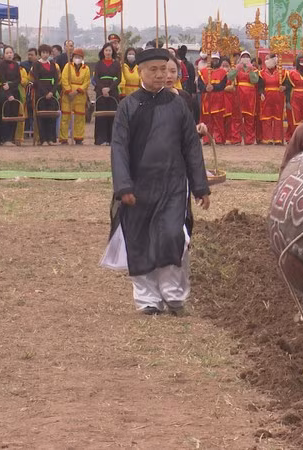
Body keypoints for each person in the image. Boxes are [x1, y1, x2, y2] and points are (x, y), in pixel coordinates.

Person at [102, 47, 210, 316]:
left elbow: (191, 147)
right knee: (139, 241)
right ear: (141, 72)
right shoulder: (128, 106)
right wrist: (123, 186)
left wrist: (200, 186)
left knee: (172, 236)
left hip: (173, 184)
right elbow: (119, 148)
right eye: (155, 70)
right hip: (138, 187)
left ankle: (173, 296)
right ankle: (147, 299)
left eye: (165, 69)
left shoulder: (178, 106)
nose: (161, 75)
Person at [30, 44, 61, 146]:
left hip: (52, 92)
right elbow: (37, 80)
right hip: (41, 93)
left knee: (51, 116)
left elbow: (57, 80)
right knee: (42, 116)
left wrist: (52, 91)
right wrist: (45, 92)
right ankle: (43, 139)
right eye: (43, 52)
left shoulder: (53, 64)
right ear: (40, 53)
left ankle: (51, 139)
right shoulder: (36, 65)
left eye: (47, 52)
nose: (45, 54)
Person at [0, 46, 22, 146]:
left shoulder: (16, 65)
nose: (9, 54)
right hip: (4, 92)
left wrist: (12, 85)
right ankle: (3, 138)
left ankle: (11, 137)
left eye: (11, 53)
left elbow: (18, 79)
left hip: (14, 91)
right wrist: (8, 94)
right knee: (4, 114)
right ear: (4, 55)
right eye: (7, 53)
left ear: (13, 54)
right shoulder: (1, 65)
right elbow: (2, 79)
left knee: (13, 114)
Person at [59, 48, 90, 145]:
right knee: (65, 117)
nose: (77, 59)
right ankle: (63, 138)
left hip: (80, 95)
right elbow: (64, 79)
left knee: (80, 117)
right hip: (68, 95)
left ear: (82, 58)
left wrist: (77, 91)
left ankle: (78, 137)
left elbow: (86, 82)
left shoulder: (86, 68)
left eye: (79, 57)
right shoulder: (67, 66)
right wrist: (69, 91)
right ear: (72, 57)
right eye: (76, 57)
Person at [93, 43, 121, 146]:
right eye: (106, 50)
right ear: (103, 52)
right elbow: (96, 78)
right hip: (101, 91)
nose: (108, 52)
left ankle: (111, 139)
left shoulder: (117, 64)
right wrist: (103, 89)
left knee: (112, 115)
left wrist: (109, 88)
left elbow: (119, 78)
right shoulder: (99, 64)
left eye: (110, 50)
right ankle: (101, 139)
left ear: (112, 52)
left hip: (112, 91)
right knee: (101, 115)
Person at [197, 52, 227, 145]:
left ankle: (219, 139)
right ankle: (206, 138)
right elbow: (200, 84)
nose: (214, 61)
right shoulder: (203, 72)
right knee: (206, 119)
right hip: (207, 98)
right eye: (213, 59)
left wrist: (214, 87)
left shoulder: (223, 72)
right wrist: (205, 88)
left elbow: (223, 85)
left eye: (216, 59)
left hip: (218, 98)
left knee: (218, 120)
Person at [258, 53, 286, 145]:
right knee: (266, 117)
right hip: (266, 96)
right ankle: (267, 138)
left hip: (278, 96)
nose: (266, 61)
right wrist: (261, 93)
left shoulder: (282, 72)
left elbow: (287, 84)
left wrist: (284, 87)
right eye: (265, 59)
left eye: (268, 59)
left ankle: (278, 139)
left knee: (278, 118)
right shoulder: (261, 73)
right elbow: (260, 85)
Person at [232, 51, 259, 145]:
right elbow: (230, 77)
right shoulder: (236, 68)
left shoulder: (254, 69)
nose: (245, 58)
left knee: (250, 118)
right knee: (237, 117)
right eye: (243, 56)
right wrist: (236, 70)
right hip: (239, 94)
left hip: (250, 95)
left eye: (247, 56)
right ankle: (236, 139)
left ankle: (249, 139)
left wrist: (251, 70)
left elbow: (255, 80)